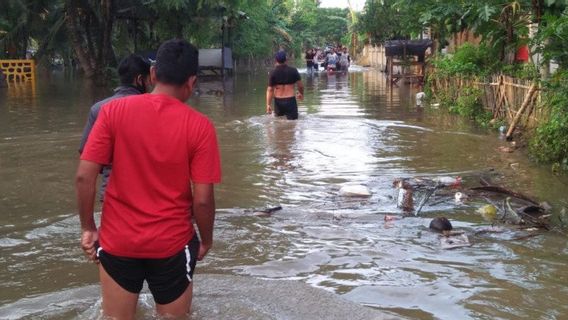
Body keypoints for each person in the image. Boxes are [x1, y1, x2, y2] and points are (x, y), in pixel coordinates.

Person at [75, 39, 221, 319]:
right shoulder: (200, 126)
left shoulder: (112, 112)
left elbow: (84, 176)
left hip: (119, 241)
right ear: (192, 82)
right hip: (172, 245)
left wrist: (88, 228)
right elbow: (203, 200)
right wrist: (206, 240)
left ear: (153, 75)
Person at [78, 54, 151, 202]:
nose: (150, 85)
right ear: (139, 80)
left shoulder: (98, 109)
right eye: (148, 80)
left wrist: (108, 169)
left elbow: (85, 152)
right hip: (148, 195)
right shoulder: (153, 108)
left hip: (110, 195)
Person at [266, 51, 304, 120]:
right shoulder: (293, 70)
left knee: (278, 124)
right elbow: (300, 86)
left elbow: (270, 90)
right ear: (286, 60)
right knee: (292, 123)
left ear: (276, 60)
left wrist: (268, 104)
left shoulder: (273, 72)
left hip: (278, 101)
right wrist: (301, 94)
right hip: (290, 100)